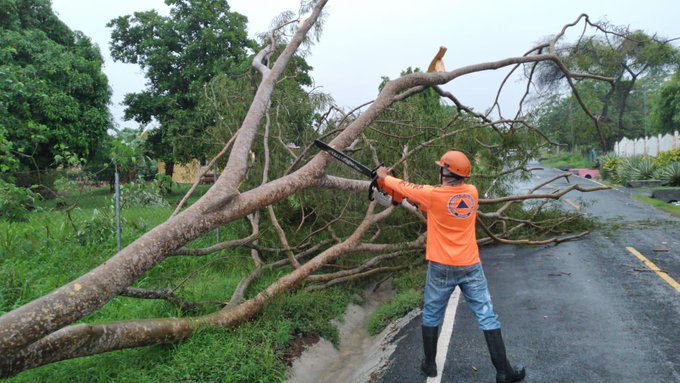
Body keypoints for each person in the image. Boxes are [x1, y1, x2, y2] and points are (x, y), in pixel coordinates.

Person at [375, 150, 525, 383]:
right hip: (470, 266)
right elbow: (423, 200)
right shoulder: (472, 192)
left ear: (445, 171)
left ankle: (430, 365)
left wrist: (383, 176)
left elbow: (406, 187)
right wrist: (400, 190)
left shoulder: (434, 195)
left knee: (432, 314)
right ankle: (504, 371)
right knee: (487, 316)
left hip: (441, 267)